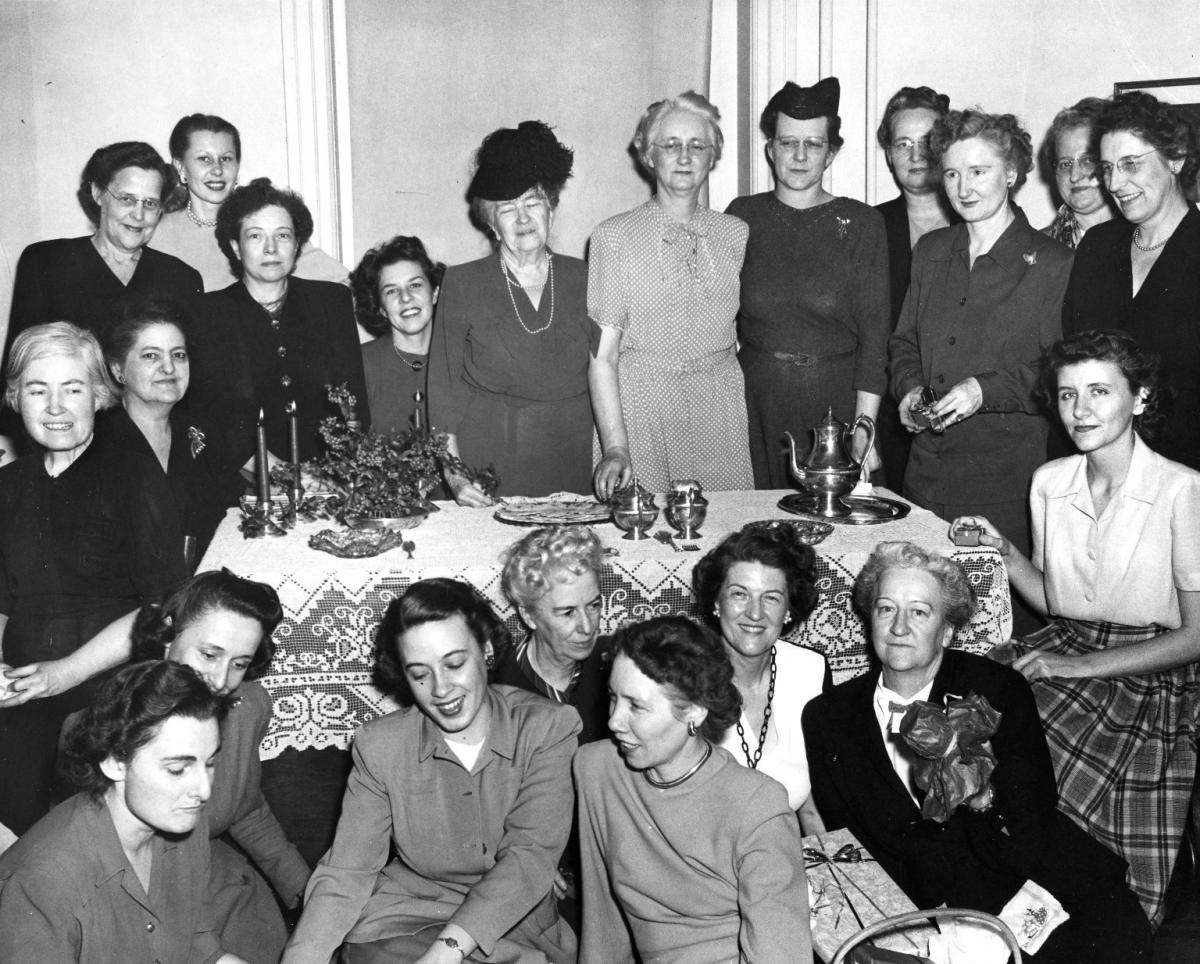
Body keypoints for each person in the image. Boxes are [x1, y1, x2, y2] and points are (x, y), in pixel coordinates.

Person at [803, 542, 1152, 964]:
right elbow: (854, 841)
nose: (899, 627)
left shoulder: (997, 692)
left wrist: (983, 798)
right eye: (886, 609)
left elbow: (1030, 830)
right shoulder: (828, 717)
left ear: (947, 630)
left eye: (919, 611)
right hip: (920, 908)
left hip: (1029, 881)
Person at [954, 330, 1200, 927]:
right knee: (961, 728)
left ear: (1139, 399)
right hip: (1064, 651)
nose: (1080, 411)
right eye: (1067, 395)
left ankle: (1072, 922)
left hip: (1151, 671)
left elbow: (1196, 636)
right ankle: (985, 913)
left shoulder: (1181, 490)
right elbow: (1059, 603)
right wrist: (1005, 553)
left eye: (1099, 392)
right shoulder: (1049, 481)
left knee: (1045, 767)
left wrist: (1079, 667)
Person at [283, 578, 579, 964]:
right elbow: (347, 870)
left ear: (486, 649)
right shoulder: (380, 746)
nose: (441, 689)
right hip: (407, 915)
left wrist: (445, 953)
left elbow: (528, 859)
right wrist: (301, 957)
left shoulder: (548, 728)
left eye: (454, 664)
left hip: (511, 920)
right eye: (420, 674)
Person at [888, 108, 1072, 631]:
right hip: (924, 477)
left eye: (979, 171)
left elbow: (1058, 374)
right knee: (923, 622)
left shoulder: (1051, 264)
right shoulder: (932, 251)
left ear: (1011, 172)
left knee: (994, 635)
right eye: (951, 173)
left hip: (1002, 481)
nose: (963, 188)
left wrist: (981, 391)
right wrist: (907, 389)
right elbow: (902, 342)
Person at [0, 323, 186, 834]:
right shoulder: (8, 485)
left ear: (99, 396)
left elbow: (162, 606)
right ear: (16, 398)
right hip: (18, 684)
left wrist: (63, 673)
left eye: (73, 389)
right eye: (39, 390)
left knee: (66, 797)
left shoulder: (133, 476)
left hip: (103, 682)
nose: (55, 407)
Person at [575, 615, 811, 962]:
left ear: (695, 712)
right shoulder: (596, 769)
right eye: (613, 697)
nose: (613, 720)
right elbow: (603, 924)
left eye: (636, 706)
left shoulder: (757, 806)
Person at [0, 660, 249, 964]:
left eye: (209, 763)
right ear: (115, 762)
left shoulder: (186, 823)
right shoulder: (45, 881)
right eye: (177, 769)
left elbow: (199, 948)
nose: (204, 790)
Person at [127, 570, 310, 963]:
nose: (221, 680)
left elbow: (243, 807)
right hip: (139, 898)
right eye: (209, 655)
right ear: (167, 638)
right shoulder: (118, 724)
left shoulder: (249, 708)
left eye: (240, 663)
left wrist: (307, 891)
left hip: (217, 879)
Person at [727, 77, 889, 488]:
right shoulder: (741, 216)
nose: (799, 156)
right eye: (787, 143)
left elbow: (875, 338)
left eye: (813, 144)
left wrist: (865, 429)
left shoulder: (861, 223)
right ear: (770, 149)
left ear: (831, 153)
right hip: (755, 401)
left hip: (834, 406)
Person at [590, 91, 753, 497]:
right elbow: (602, 357)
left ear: (712, 156)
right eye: (671, 145)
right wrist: (615, 447)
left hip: (718, 411)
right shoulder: (613, 237)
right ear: (649, 155)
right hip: (642, 409)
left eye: (697, 146)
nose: (685, 157)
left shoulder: (735, 234)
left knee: (722, 540)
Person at [429, 122, 592, 503]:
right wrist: (456, 479)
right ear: (490, 222)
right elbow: (441, 391)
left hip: (573, 459)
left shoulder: (585, 276)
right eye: (507, 208)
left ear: (550, 207)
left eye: (532, 202)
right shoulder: (462, 283)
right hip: (490, 467)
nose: (522, 218)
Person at [1062, 91, 1200, 470]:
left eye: (1131, 164)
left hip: (1184, 475)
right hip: (1094, 470)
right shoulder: (1099, 246)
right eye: (1107, 168)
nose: (1115, 183)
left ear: (1175, 158)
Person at [192, 178, 368, 466]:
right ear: (236, 247)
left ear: (297, 244)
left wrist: (343, 472)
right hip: (245, 480)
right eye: (256, 236)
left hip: (330, 476)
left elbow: (354, 403)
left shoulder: (332, 302)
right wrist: (280, 475)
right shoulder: (208, 313)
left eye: (283, 235)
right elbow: (215, 417)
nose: (271, 248)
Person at [692, 523, 829, 831]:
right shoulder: (688, 678)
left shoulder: (809, 671)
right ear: (717, 602)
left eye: (771, 598)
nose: (755, 614)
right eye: (740, 594)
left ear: (789, 610)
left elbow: (811, 804)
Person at [6, 141, 203, 343]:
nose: (139, 215)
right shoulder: (45, 262)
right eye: (127, 199)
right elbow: (20, 363)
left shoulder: (182, 279)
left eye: (150, 203)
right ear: (98, 193)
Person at [95, 298, 243, 563]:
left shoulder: (201, 432)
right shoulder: (97, 440)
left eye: (178, 355)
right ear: (118, 370)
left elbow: (234, 518)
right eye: (151, 356)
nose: (168, 367)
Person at [153, 112, 349, 292]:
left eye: (226, 159)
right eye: (204, 159)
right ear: (180, 167)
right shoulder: (156, 233)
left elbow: (344, 283)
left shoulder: (264, 224)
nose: (217, 170)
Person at [874, 85, 957, 490]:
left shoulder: (979, 220)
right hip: (891, 410)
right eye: (902, 143)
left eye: (927, 142)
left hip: (964, 409)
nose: (915, 154)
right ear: (888, 153)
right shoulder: (870, 226)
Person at [497, 525, 610, 743]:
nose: (587, 627)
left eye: (594, 606)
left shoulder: (613, 663)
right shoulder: (504, 693)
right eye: (568, 613)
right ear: (528, 616)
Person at [352, 236, 444, 436]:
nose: (405, 297)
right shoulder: (360, 365)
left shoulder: (464, 358)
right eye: (391, 291)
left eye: (415, 285)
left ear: (435, 292)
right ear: (381, 308)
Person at [1040, 98, 1115, 249]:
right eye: (1065, 164)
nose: (1074, 176)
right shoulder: (1035, 249)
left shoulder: (1143, 243)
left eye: (1088, 161)